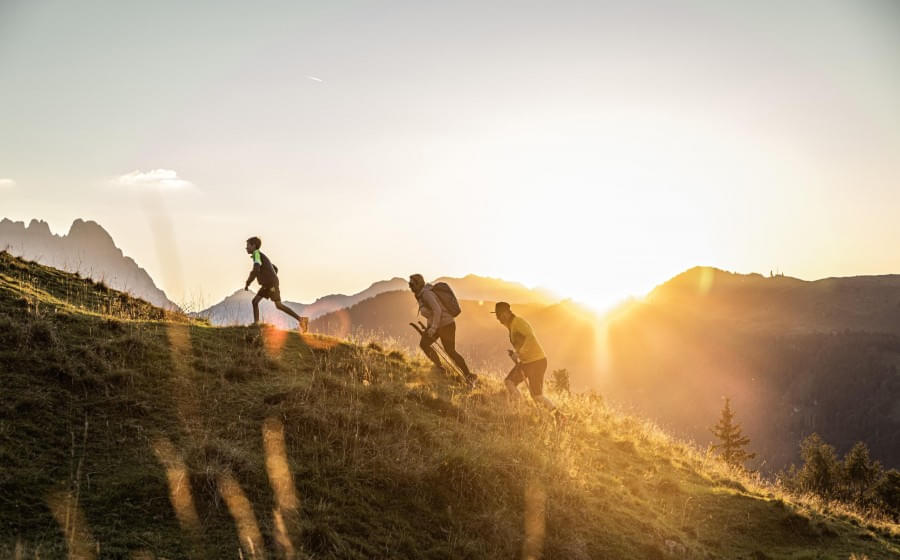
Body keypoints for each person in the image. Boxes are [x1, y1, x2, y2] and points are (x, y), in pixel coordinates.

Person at [492, 301, 564, 422]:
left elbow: (530, 337)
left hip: (536, 362)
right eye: (497, 316)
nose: (498, 318)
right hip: (528, 362)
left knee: (536, 396)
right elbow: (522, 342)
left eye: (499, 315)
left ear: (506, 313)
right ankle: (520, 410)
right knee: (509, 382)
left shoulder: (518, 322)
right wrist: (515, 353)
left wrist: (518, 353)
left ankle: (559, 416)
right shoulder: (511, 326)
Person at [409, 274, 477, 386]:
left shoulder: (426, 294)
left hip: (446, 325)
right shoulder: (421, 295)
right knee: (425, 344)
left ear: (418, 284)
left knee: (450, 351)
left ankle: (468, 375)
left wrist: (433, 328)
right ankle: (440, 369)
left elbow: (437, 310)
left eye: (412, 284)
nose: (410, 287)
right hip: (440, 325)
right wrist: (430, 327)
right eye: (409, 284)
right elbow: (431, 314)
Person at [243, 237, 309, 332]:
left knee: (278, 305)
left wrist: (248, 283)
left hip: (271, 284)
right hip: (268, 284)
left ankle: (302, 320)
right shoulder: (259, 255)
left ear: (253, 246)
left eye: (248, 245)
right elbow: (274, 268)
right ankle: (256, 325)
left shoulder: (256, 254)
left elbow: (256, 269)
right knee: (255, 302)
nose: (246, 248)